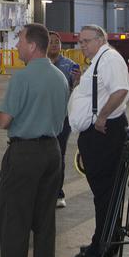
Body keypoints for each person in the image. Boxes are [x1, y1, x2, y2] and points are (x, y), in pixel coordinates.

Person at [0, 23, 69, 257]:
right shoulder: (60, 75)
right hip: (52, 152)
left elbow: (4, 120)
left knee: (14, 225)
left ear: (32, 45)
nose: (16, 45)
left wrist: (0, 117)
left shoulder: (23, 77)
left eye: (19, 40)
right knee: (44, 224)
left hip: (25, 153)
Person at [68, 25, 129, 257]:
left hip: (104, 133)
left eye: (87, 41)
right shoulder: (100, 60)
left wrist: (102, 116)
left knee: (105, 192)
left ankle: (101, 245)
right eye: (80, 41)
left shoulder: (109, 59)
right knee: (106, 193)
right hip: (97, 133)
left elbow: (120, 91)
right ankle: (108, 241)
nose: (82, 45)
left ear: (101, 39)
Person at [47, 31, 81, 208]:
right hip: (43, 118)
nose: (54, 44)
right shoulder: (37, 64)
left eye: (57, 42)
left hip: (62, 119)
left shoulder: (71, 66)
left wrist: (77, 81)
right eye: (50, 42)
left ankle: (58, 193)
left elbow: (77, 91)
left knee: (58, 155)